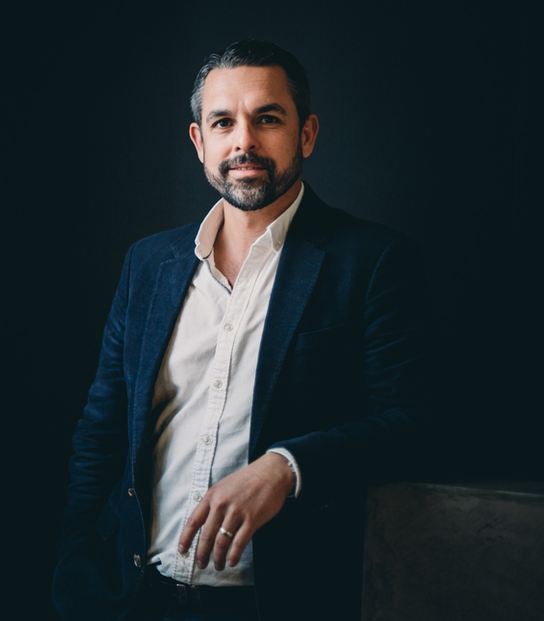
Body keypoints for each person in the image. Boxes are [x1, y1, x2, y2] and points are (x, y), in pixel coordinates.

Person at [52, 40, 427, 621]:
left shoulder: (373, 261)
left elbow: (412, 424)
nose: (244, 141)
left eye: (267, 118)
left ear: (306, 134)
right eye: (223, 122)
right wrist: (74, 569)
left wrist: (285, 467)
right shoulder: (148, 264)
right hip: (132, 596)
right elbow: (101, 429)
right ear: (201, 141)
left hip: (277, 602)